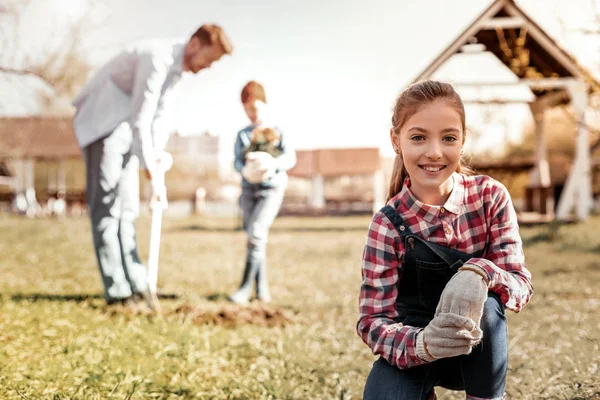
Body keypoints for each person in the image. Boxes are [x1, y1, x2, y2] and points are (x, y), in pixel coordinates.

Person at [357, 80, 534, 400]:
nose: (434, 152)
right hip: (414, 350)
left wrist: (481, 272)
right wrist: (422, 344)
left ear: (463, 141)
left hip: (477, 352)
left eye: (449, 137)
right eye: (418, 137)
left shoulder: (490, 197)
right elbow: (372, 321)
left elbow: (520, 284)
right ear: (396, 141)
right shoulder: (387, 224)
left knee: (489, 304)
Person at [71, 24, 233, 308]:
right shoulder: (157, 58)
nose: (208, 67)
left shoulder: (176, 74)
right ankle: (118, 290)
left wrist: (156, 159)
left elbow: (159, 120)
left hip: (127, 131)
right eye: (210, 58)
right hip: (103, 123)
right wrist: (151, 175)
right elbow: (141, 117)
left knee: (128, 208)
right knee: (108, 209)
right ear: (195, 44)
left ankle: (138, 283)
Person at [230, 81, 296, 305]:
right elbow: (236, 162)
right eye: (247, 108)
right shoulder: (242, 135)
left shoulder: (277, 132)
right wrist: (245, 171)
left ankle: (244, 289)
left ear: (264, 104)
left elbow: (290, 158)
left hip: (271, 189)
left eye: (255, 108)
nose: (251, 113)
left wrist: (273, 163)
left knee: (256, 233)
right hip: (249, 190)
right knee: (254, 238)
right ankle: (261, 289)